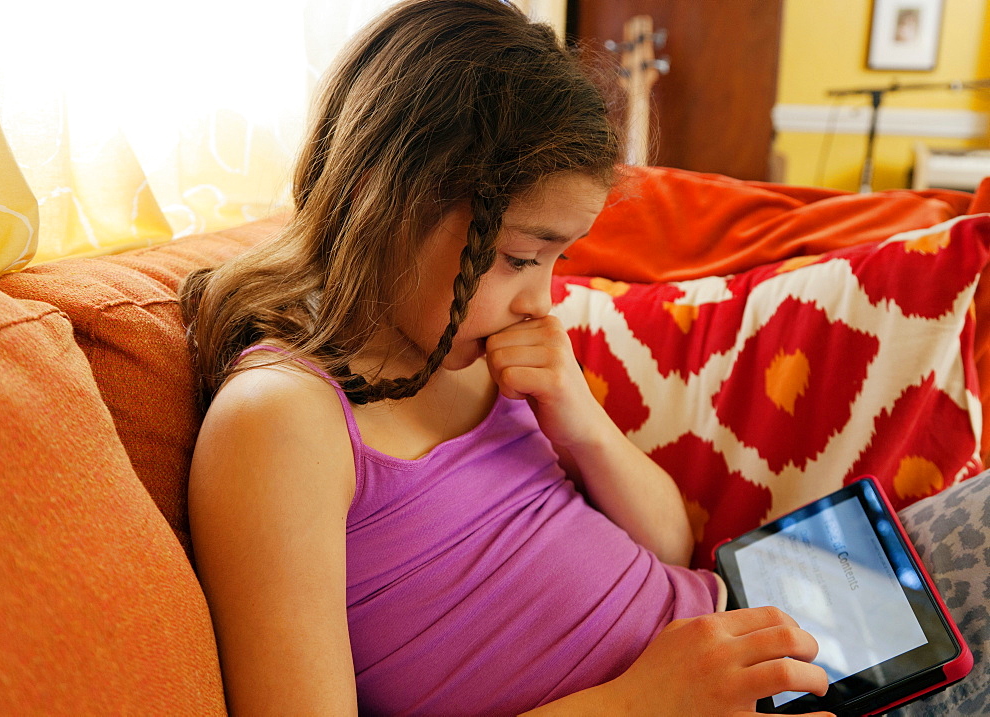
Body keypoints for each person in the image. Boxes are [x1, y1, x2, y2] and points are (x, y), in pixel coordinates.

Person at [178, 1, 840, 714]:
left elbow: (673, 544)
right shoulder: (282, 421)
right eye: (521, 256)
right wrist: (641, 701)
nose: (544, 298)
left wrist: (579, 420)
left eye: (559, 258)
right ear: (390, 202)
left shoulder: (487, 357)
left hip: (746, 652)